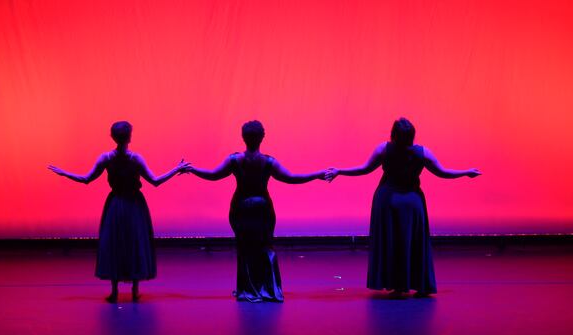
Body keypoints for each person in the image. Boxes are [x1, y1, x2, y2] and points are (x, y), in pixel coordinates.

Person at [326, 118, 481, 298]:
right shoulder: (422, 153)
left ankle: (397, 285)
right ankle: (420, 285)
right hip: (411, 201)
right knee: (412, 241)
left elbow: (364, 169)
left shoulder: (384, 149)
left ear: (393, 134)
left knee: (392, 241)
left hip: (387, 200)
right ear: (412, 136)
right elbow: (443, 172)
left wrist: (339, 171)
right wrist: (466, 173)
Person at [48, 121, 189, 302]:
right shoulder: (135, 159)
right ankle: (134, 290)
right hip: (134, 205)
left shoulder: (106, 158)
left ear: (113, 137)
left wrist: (64, 173)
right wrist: (176, 168)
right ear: (129, 137)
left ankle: (114, 291)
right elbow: (155, 181)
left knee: (115, 243)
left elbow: (86, 179)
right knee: (134, 243)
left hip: (115, 204)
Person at [186, 120, 326, 302]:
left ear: (243, 138)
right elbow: (291, 178)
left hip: (241, 207)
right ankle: (269, 289)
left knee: (244, 247)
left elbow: (213, 175)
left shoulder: (234, 160)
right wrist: (317, 174)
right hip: (262, 207)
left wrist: (192, 169)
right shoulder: (268, 162)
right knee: (265, 247)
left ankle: (247, 289)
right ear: (262, 138)